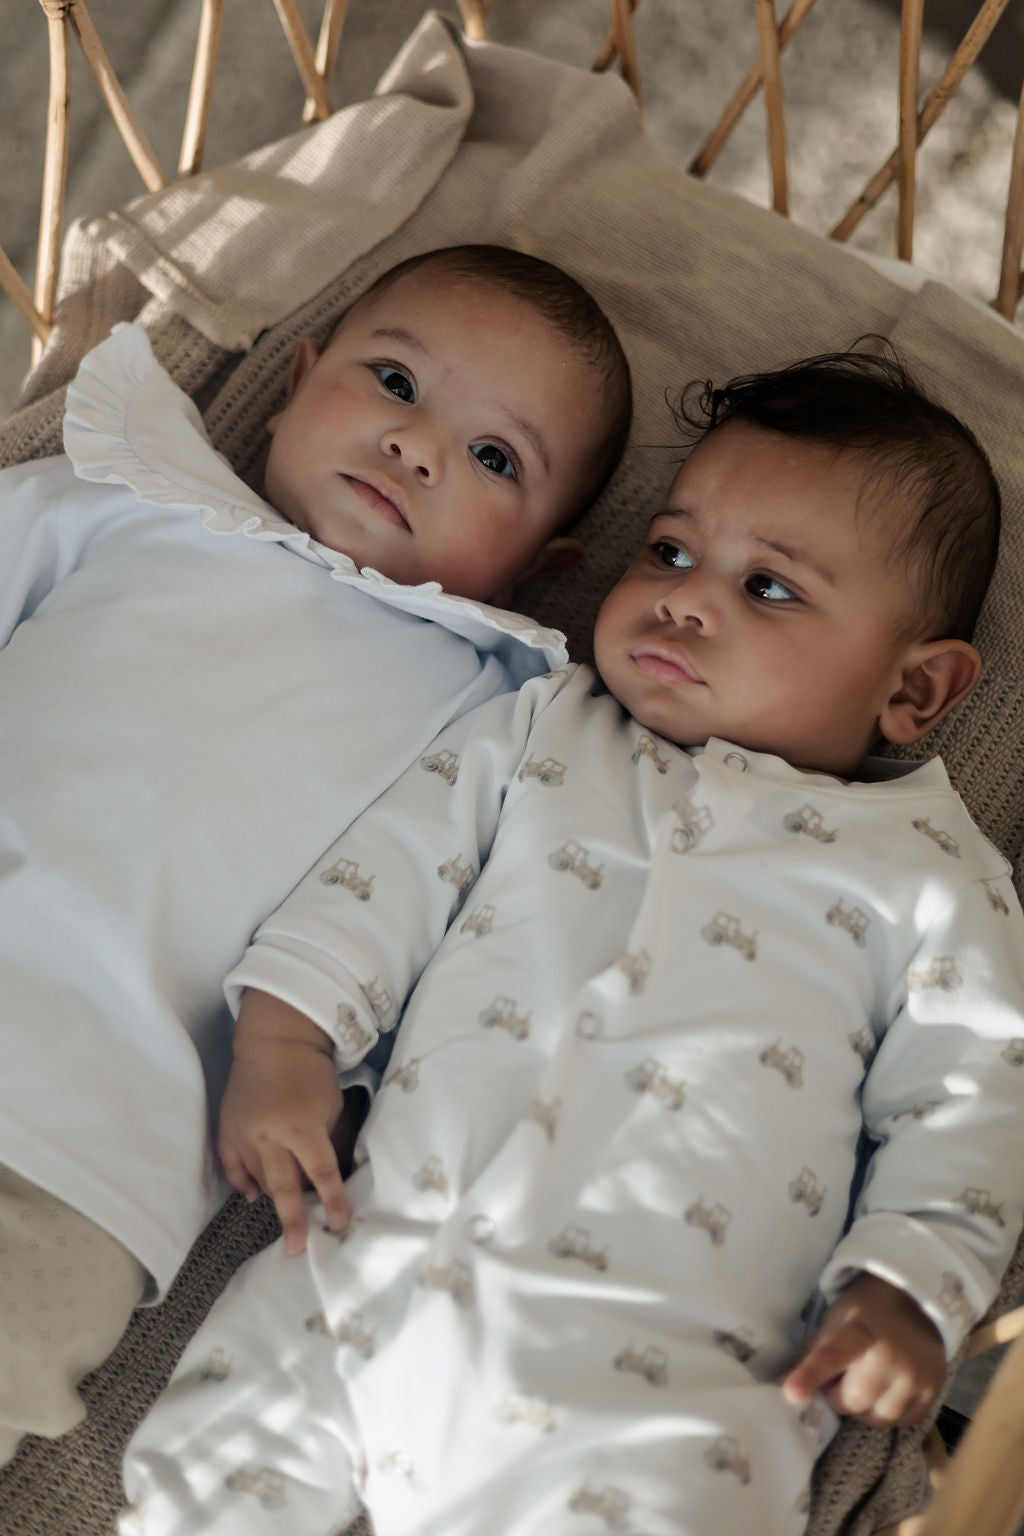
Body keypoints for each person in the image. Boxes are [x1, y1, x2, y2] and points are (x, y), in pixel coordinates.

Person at [120, 346, 1024, 1536]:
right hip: (361, 1273)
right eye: (671, 549)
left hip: (658, 1386)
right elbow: (384, 873)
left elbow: (972, 1096)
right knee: (196, 1487)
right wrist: (287, 1044)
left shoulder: (929, 874)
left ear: (912, 693)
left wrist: (906, 1287)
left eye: (769, 589)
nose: (685, 594)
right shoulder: (545, 728)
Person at [0, 243, 633, 1465]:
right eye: (394, 381)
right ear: (294, 382)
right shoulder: (123, 503)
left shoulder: (487, 711)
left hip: (94, 1144)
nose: (420, 445)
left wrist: (335, 1077)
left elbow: (441, 931)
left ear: (543, 563)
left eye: (495, 458)